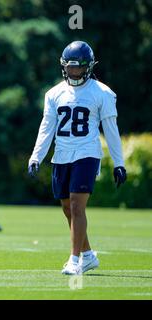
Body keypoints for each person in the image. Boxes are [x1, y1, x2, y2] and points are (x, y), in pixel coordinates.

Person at [28, 41, 127, 275]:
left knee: (76, 204)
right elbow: (46, 127)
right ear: (64, 67)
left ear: (89, 67)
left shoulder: (102, 93)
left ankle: (74, 261)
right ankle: (89, 255)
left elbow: (111, 130)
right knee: (67, 208)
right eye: (71, 68)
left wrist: (119, 162)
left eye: (79, 68)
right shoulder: (53, 94)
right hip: (61, 154)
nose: (74, 72)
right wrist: (36, 156)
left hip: (86, 153)